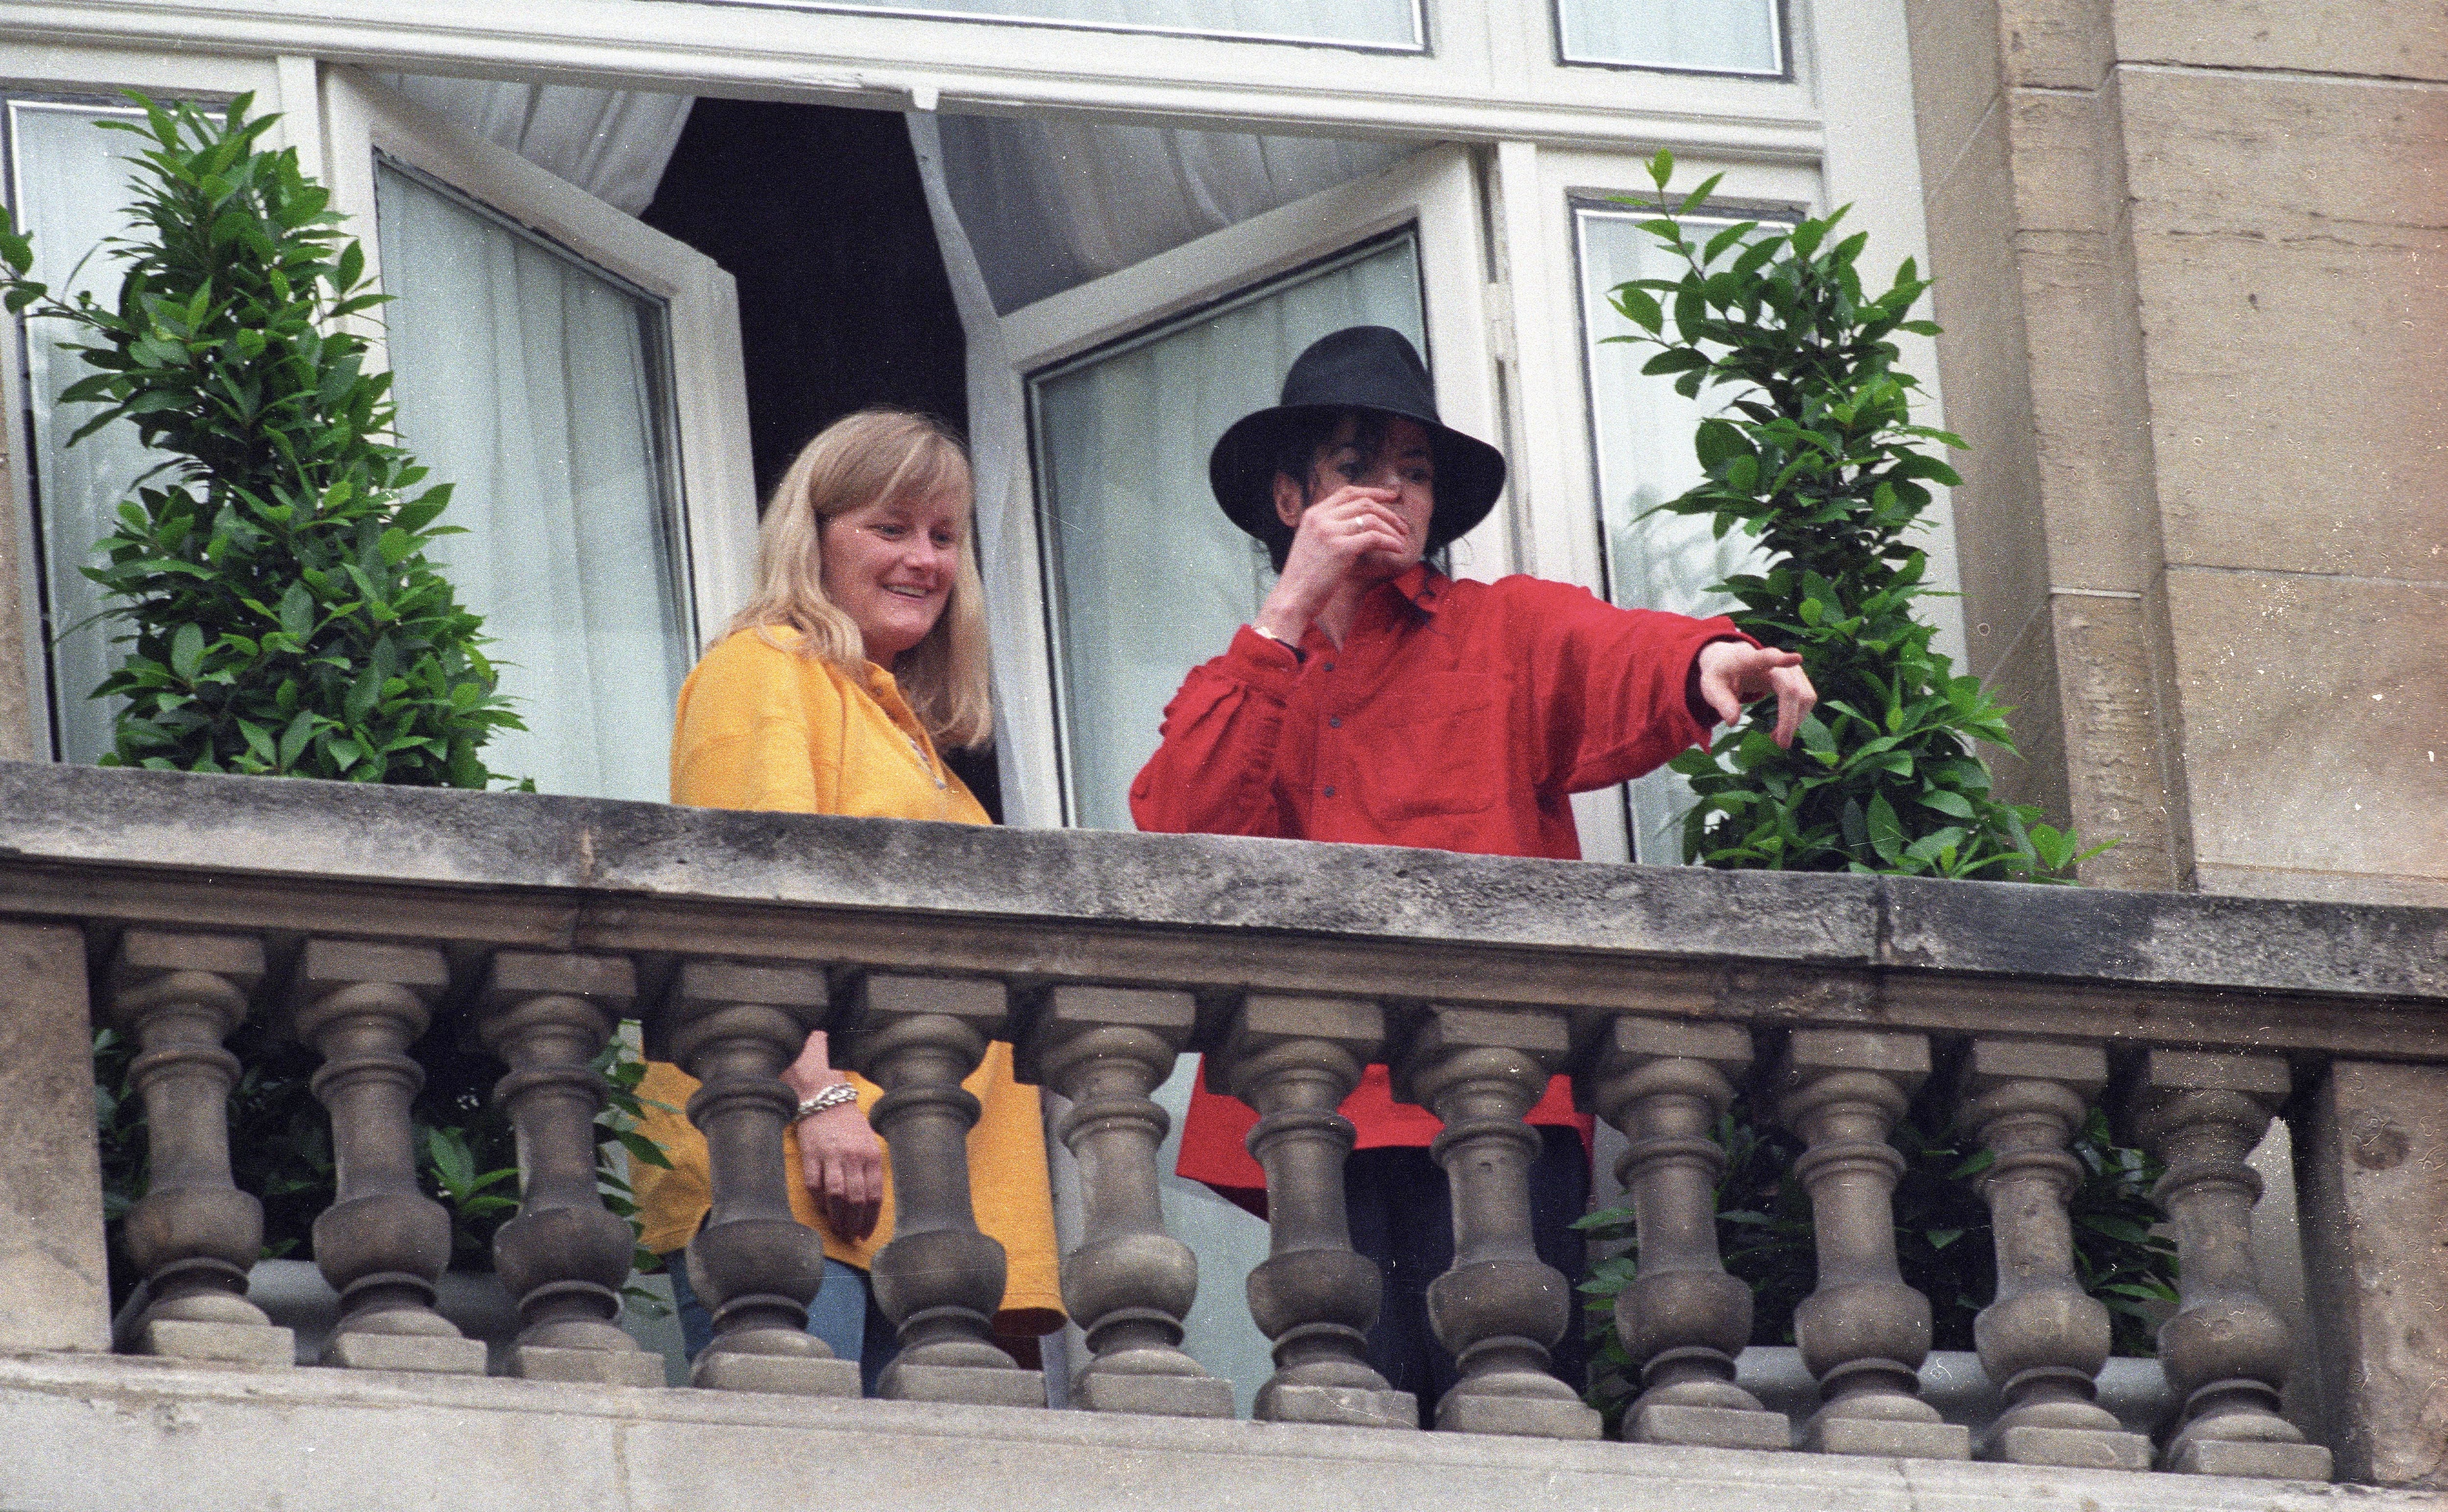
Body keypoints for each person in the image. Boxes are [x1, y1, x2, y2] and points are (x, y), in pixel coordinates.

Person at [1131, 326, 1814, 1421]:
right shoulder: (1246, 676)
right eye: (1358, 467)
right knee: (1346, 1416)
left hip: (1498, 1098)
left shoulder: (1500, 627)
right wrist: (1287, 611)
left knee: (1510, 1410)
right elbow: (1181, 830)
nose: (1391, 493)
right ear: (1288, 495)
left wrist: (1707, 658)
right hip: (1320, 1106)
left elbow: (1615, 648)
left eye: (1414, 472)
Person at [632, 409, 1063, 1392]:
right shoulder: (764, 670)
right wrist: (820, 1098)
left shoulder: (910, 736)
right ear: (813, 538)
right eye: (890, 527)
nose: (924, 560)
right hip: (801, 1170)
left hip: (923, 1200)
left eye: (944, 536)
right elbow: (754, 913)